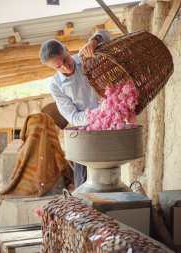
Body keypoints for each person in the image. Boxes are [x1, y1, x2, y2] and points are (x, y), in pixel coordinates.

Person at [39, 30, 110, 188]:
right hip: (85, 135)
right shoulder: (56, 85)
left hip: (108, 128)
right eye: (58, 66)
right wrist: (101, 112)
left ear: (65, 48)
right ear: (52, 67)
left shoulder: (87, 56)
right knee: (83, 184)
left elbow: (105, 33)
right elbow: (73, 117)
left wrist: (95, 40)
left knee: (109, 176)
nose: (65, 66)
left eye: (65, 59)